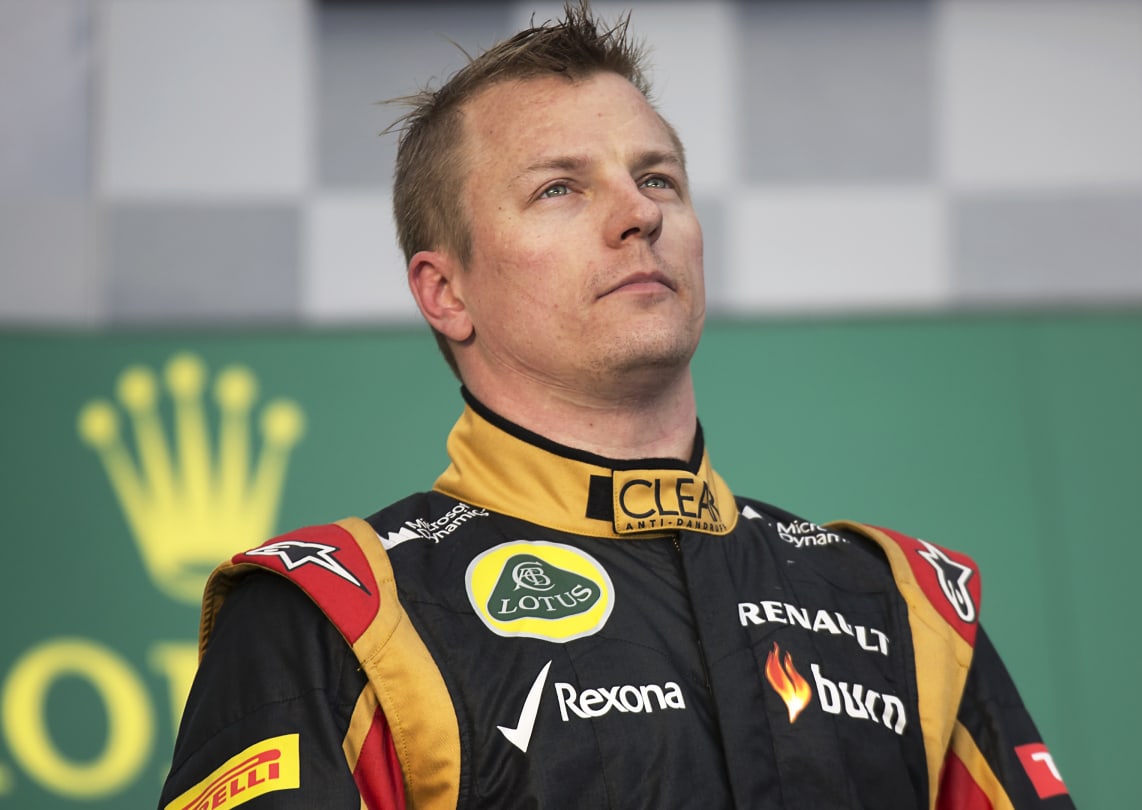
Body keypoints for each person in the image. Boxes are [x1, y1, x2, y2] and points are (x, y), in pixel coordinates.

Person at [158, 3, 1075, 808]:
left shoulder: (900, 609)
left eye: (659, 178)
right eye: (559, 187)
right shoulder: (340, 620)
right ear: (446, 292)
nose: (638, 215)